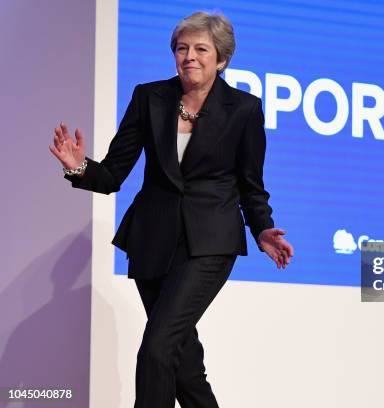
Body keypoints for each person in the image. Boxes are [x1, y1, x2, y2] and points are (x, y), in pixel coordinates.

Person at [49, 11, 294, 408]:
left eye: (201, 49)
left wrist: (262, 229)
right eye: (182, 48)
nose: (189, 57)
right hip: (152, 241)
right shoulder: (150, 98)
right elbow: (112, 175)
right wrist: (78, 166)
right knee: (182, 366)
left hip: (209, 244)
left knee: (158, 349)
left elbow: (251, 184)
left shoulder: (244, 109)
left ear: (221, 59)